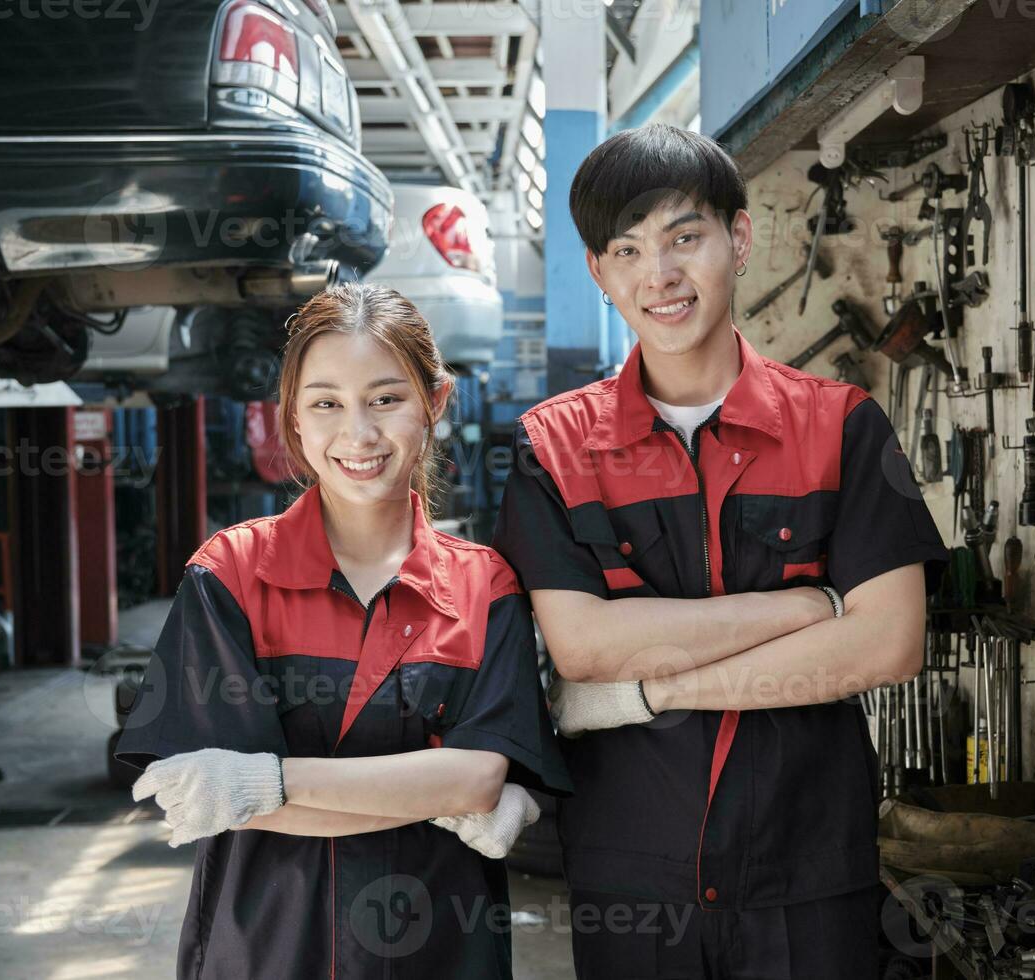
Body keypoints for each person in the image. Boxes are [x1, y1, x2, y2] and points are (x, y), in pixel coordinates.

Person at [491, 123, 949, 979]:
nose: (658, 275)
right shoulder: (551, 449)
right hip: (633, 878)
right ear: (599, 273)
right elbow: (584, 647)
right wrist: (799, 610)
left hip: (809, 875)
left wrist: (650, 689)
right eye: (626, 250)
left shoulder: (844, 427)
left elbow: (887, 643)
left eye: (684, 238)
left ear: (739, 240)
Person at [115, 283, 571, 980]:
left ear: (435, 402)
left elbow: (478, 778)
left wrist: (262, 781)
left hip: (441, 954)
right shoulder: (231, 575)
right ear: (292, 420)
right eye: (326, 403)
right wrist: (431, 790)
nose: (358, 434)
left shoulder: (486, 588)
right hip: (265, 951)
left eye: (386, 399)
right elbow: (216, 801)